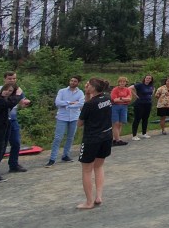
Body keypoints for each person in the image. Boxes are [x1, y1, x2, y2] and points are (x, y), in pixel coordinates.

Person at [77, 78, 113, 209]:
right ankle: (98, 196)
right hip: (107, 135)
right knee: (99, 166)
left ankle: (89, 202)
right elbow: (93, 106)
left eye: (88, 85)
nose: (86, 86)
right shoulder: (107, 98)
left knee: (87, 170)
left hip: (92, 138)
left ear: (93, 88)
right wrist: (87, 95)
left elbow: (80, 123)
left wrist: (87, 99)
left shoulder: (89, 104)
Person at [47, 76, 84, 167]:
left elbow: (81, 103)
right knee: (58, 137)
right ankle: (52, 158)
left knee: (70, 137)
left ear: (78, 83)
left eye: (75, 81)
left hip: (74, 117)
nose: (72, 82)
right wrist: (70, 103)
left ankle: (65, 155)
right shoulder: (62, 91)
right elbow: (58, 103)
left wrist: (68, 105)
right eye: (71, 80)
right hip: (62, 117)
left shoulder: (80, 92)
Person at [130, 75, 155, 140]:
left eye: (149, 78)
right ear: (144, 78)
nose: (148, 79)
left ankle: (144, 133)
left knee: (145, 119)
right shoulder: (140, 85)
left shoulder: (151, 86)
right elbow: (129, 88)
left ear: (151, 80)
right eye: (147, 78)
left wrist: (150, 97)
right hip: (139, 104)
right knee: (137, 119)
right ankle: (134, 135)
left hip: (148, 104)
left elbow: (152, 92)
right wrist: (135, 95)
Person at [108, 77, 131, 146]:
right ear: (118, 82)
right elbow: (114, 99)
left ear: (126, 83)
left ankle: (115, 139)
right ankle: (118, 140)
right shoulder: (115, 89)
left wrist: (120, 98)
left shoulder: (127, 90)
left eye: (124, 82)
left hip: (124, 107)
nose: (122, 83)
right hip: (115, 107)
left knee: (120, 123)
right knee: (115, 123)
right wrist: (124, 99)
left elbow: (129, 99)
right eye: (121, 82)